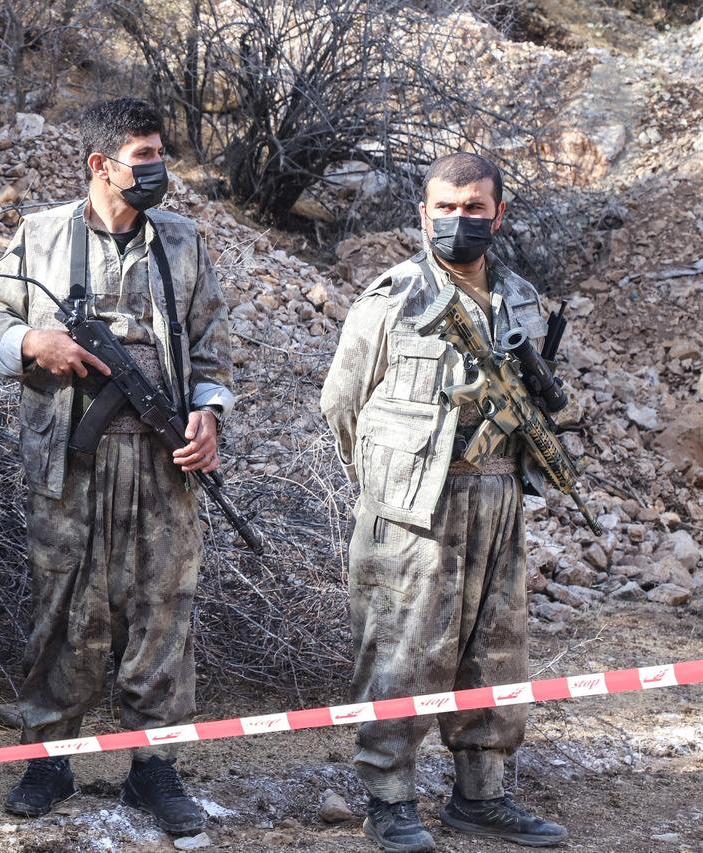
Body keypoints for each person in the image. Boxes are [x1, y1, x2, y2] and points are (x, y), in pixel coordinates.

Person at [0, 98, 234, 835]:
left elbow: (210, 344)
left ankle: (153, 768)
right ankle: (49, 757)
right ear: (100, 165)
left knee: (162, 609)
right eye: (142, 158)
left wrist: (208, 416)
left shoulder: (181, 242)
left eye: (160, 156)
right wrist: (33, 343)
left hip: (161, 460)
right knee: (65, 606)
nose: (157, 171)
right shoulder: (41, 235)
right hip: (71, 461)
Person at [320, 152, 569, 853]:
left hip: (498, 497)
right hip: (414, 510)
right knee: (403, 653)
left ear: (499, 214)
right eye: (447, 208)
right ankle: (389, 799)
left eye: (475, 209)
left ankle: (482, 796)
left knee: (495, 652)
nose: (460, 221)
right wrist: (386, 484)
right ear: (423, 213)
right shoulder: (392, 298)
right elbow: (342, 403)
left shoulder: (520, 298)